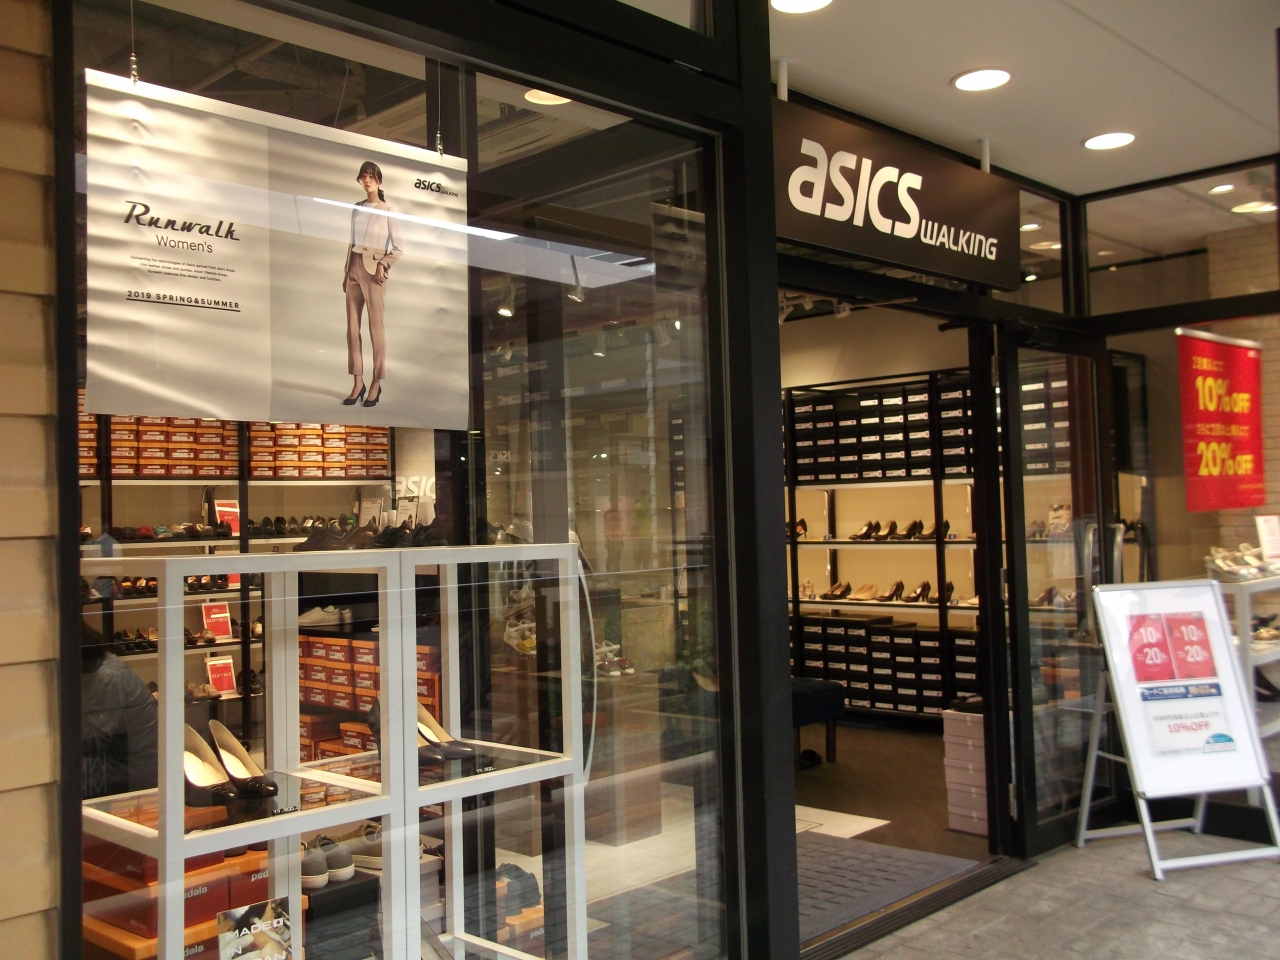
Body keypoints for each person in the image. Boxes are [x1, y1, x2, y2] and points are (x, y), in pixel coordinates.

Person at [342, 160, 402, 407]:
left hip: (374, 273)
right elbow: (352, 241)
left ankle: (376, 382)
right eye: (363, 177)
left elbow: (398, 249)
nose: (366, 181)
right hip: (353, 269)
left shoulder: (387, 211)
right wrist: (347, 271)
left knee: (376, 329)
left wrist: (383, 264)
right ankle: (358, 381)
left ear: (378, 180)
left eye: (371, 177)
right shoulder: (356, 208)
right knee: (352, 329)